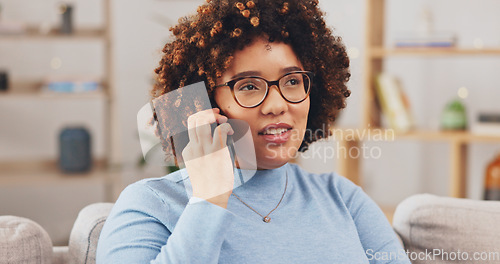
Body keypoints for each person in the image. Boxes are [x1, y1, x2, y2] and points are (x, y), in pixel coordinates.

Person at [96, 0, 411, 263]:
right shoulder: (148, 204)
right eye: (248, 85)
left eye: (292, 81)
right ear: (203, 102)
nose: (276, 105)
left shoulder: (344, 199)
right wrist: (209, 197)